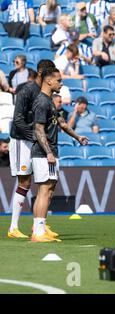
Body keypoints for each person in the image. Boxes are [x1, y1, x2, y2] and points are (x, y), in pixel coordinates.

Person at [31, 67, 88, 242]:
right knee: (44, 190)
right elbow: (38, 129)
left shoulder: (49, 101)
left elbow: (62, 123)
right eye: (59, 81)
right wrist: (48, 152)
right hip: (43, 152)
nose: (61, 84)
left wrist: (77, 136)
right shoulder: (41, 101)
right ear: (49, 81)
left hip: (52, 151)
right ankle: (37, 233)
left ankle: (41, 227)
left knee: (49, 191)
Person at [7, 59, 56, 239]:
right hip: (22, 140)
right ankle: (13, 228)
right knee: (25, 182)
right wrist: (35, 135)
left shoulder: (45, 92)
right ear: (42, 74)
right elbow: (18, 120)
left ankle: (40, 225)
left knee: (45, 183)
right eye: (50, 75)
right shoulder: (26, 91)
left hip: (36, 141)